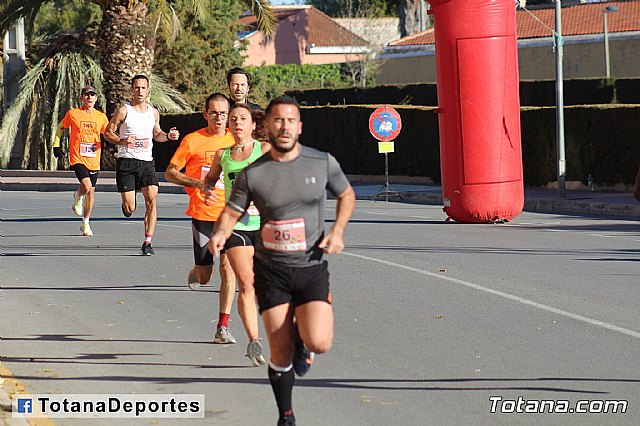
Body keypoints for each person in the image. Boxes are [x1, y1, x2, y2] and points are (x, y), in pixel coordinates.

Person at [209, 96, 356, 426]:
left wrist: (338, 230)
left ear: (300, 127)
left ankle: (306, 342)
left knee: (319, 341)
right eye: (278, 120)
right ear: (268, 127)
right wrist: (221, 233)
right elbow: (233, 210)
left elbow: (346, 194)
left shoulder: (321, 163)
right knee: (279, 351)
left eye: (291, 120)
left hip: (310, 267)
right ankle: (285, 415)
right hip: (271, 270)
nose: (285, 126)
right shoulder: (253, 174)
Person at [164, 93, 237, 345]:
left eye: (223, 113)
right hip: (203, 215)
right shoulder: (192, 141)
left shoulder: (236, 140)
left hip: (231, 216)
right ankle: (197, 269)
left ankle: (222, 327)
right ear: (206, 114)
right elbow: (171, 173)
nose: (219, 118)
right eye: (214, 113)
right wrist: (197, 183)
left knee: (228, 269)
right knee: (205, 277)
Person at [204, 103, 270, 365]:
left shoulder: (264, 150)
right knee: (247, 284)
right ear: (228, 126)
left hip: (265, 227)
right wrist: (208, 188)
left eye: (243, 118)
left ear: (253, 125)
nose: (238, 123)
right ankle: (254, 340)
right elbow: (210, 179)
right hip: (237, 228)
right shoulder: (223, 155)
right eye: (233, 119)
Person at [104, 74, 180, 256]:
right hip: (127, 161)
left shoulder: (153, 113)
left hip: (146, 162)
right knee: (130, 208)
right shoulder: (124, 111)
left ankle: (147, 242)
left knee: (152, 200)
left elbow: (157, 134)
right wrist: (122, 141)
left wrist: (168, 136)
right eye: (136, 87)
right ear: (131, 89)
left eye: (143, 88)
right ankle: (127, 204)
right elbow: (108, 132)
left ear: (148, 90)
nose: (140, 91)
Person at [52, 85, 109, 237]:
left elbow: (109, 133)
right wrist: (56, 144)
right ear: (82, 97)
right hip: (77, 157)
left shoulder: (101, 117)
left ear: (96, 98)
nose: (89, 97)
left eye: (92, 95)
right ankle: (77, 196)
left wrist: (123, 140)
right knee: (86, 185)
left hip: (94, 159)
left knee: (91, 192)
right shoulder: (73, 114)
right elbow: (61, 127)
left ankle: (85, 223)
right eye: (87, 95)